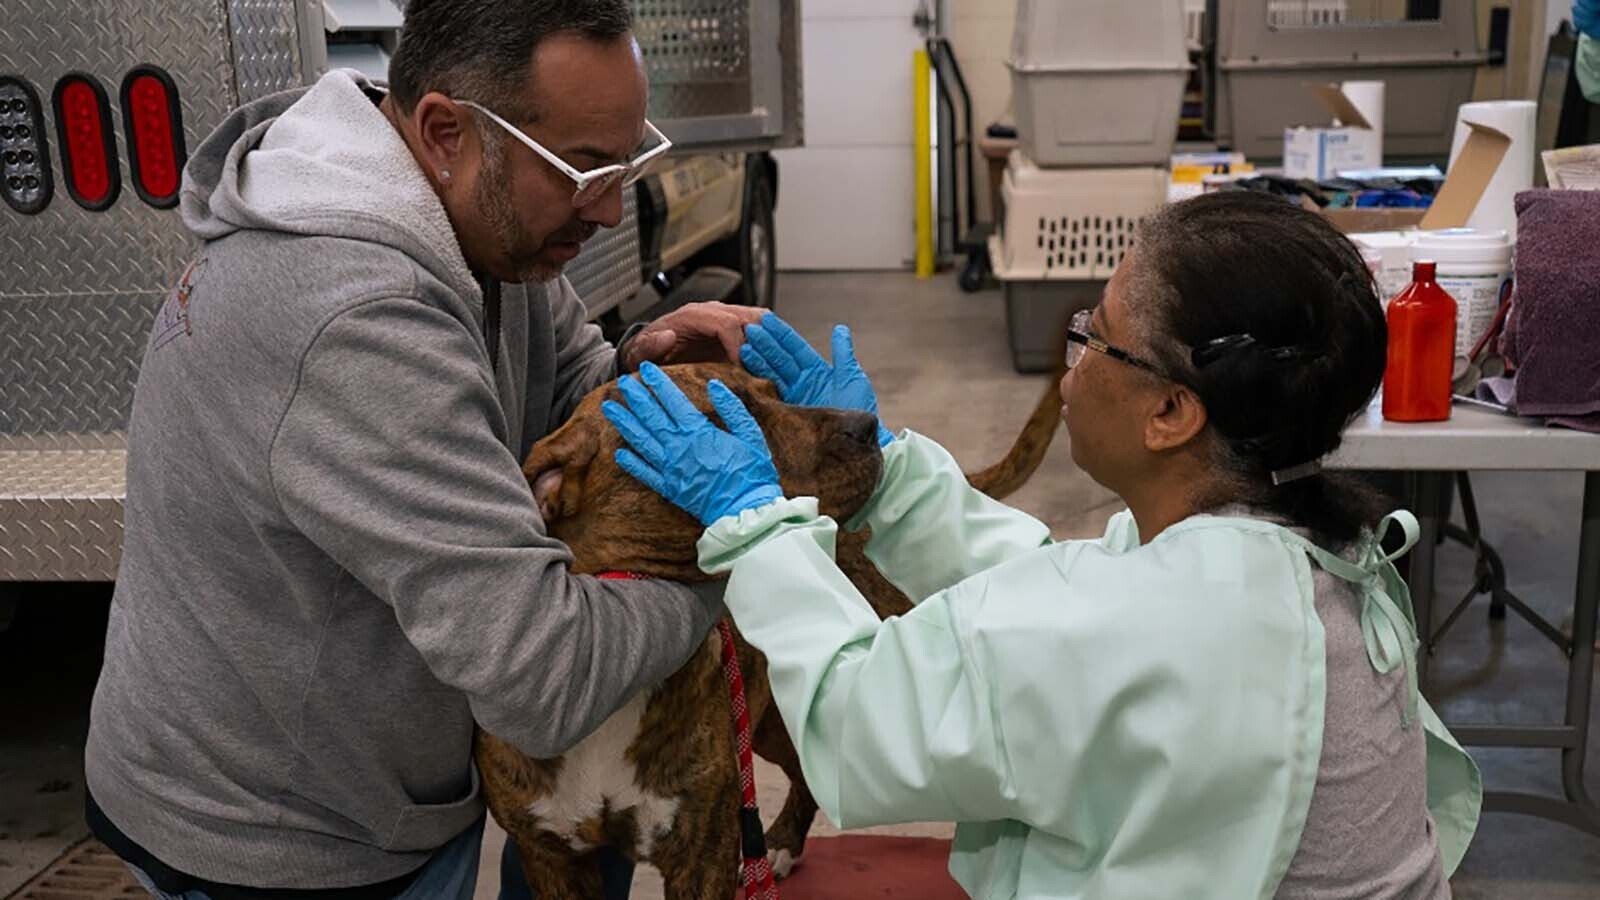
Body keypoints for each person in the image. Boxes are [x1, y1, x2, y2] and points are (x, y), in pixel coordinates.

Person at [604, 192, 1483, 898]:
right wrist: (891, 479)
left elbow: (857, 722)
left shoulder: (1135, 626)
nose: (1075, 359)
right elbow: (1058, 596)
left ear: (1171, 412)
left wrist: (757, 525)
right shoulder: (1290, 550)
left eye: (1097, 336)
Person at [84, 1, 760, 898]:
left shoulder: (483, 223)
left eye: (626, 164)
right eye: (584, 170)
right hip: (284, 837)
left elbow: (561, 381)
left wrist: (640, 364)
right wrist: (742, 552)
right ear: (446, 132)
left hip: (369, 777)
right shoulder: (353, 314)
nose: (607, 208)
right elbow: (543, 674)